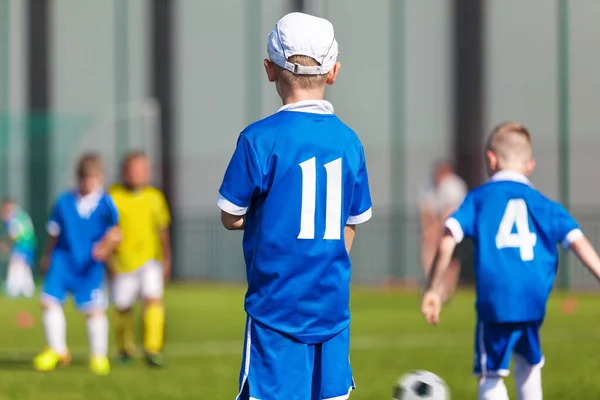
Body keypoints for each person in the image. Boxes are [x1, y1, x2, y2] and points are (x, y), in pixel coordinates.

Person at [217, 12, 372, 400]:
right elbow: (349, 223)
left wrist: (269, 218)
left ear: (270, 70)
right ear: (333, 71)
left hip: (276, 309)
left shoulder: (258, 139)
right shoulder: (350, 142)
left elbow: (230, 215)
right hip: (332, 309)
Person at [421, 122, 600, 400]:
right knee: (529, 366)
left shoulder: (478, 198)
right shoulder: (544, 203)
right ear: (530, 165)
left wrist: (433, 289)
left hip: (497, 298)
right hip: (533, 298)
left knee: (490, 374)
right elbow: (579, 244)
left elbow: (448, 237)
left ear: (491, 159)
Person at [33, 153, 121, 375]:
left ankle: (98, 356)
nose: (89, 182)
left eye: (93, 178)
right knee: (48, 301)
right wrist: (47, 256)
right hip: (63, 261)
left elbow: (116, 233)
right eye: (85, 178)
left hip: (90, 265)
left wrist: (106, 248)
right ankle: (56, 349)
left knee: (94, 310)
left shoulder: (106, 203)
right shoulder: (64, 202)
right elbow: (54, 233)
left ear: (100, 178)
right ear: (78, 177)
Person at [108, 151, 171, 367]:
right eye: (133, 170)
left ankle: (152, 349)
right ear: (125, 172)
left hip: (150, 260)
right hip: (122, 262)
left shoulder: (155, 197)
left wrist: (166, 259)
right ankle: (125, 350)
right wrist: (109, 260)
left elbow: (162, 230)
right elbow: (105, 230)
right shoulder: (113, 196)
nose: (137, 174)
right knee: (122, 307)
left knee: (153, 300)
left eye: (142, 170)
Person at [419, 161, 467, 299]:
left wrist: (436, 230)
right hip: (436, 225)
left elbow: (450, 212)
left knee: (453, 258)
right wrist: (428, 231)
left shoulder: (455, 186)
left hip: (454, 226)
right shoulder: (428, 186)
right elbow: (427, 211)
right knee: (428, 248)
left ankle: (448, 288)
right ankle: (433, 285)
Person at [0, 199, 36, 298]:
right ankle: (28, 289)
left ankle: (13, 289)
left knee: (16, 266)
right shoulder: (21, 214)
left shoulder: (12, 216)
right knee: (24, 267)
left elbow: (14, 234)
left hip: (22, 245)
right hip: (30, 244)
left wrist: (5, 243)